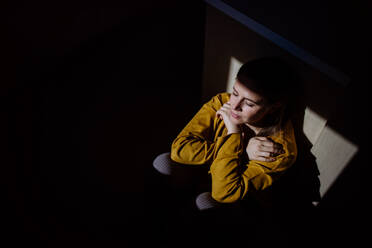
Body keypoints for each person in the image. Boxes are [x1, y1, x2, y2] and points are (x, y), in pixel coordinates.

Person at [153, 57, 299, 211]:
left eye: (249, 103)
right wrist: (242, 150)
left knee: (206, 202)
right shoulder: (223, 102)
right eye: (235, 93)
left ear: (274, 107)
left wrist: (233, 132)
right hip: (205, 169)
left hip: (234, 197)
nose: (234, 106)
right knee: (163, 162)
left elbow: (224, 192)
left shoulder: (280, 150)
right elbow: (179, 149)